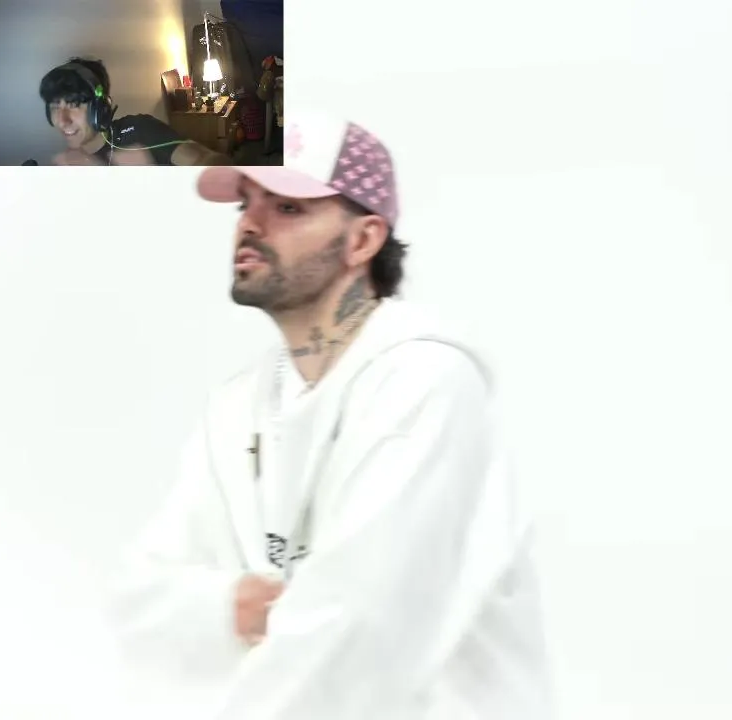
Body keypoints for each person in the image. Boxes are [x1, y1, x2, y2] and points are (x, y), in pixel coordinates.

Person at [105, 114, 552, 718]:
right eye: (244, 202)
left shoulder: (425, 382)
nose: (250, 224)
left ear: (363, 241)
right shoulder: (236, 406)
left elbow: (357, 627)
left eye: (288, 207)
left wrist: (260, 616)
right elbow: (138, 598)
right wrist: (234, 603)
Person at [38, 57, 230, 166]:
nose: (62, 120)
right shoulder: (67, 165)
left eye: (73, 105)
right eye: (55, 107)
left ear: (101, 108)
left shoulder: (139, 130)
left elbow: (211, 161)